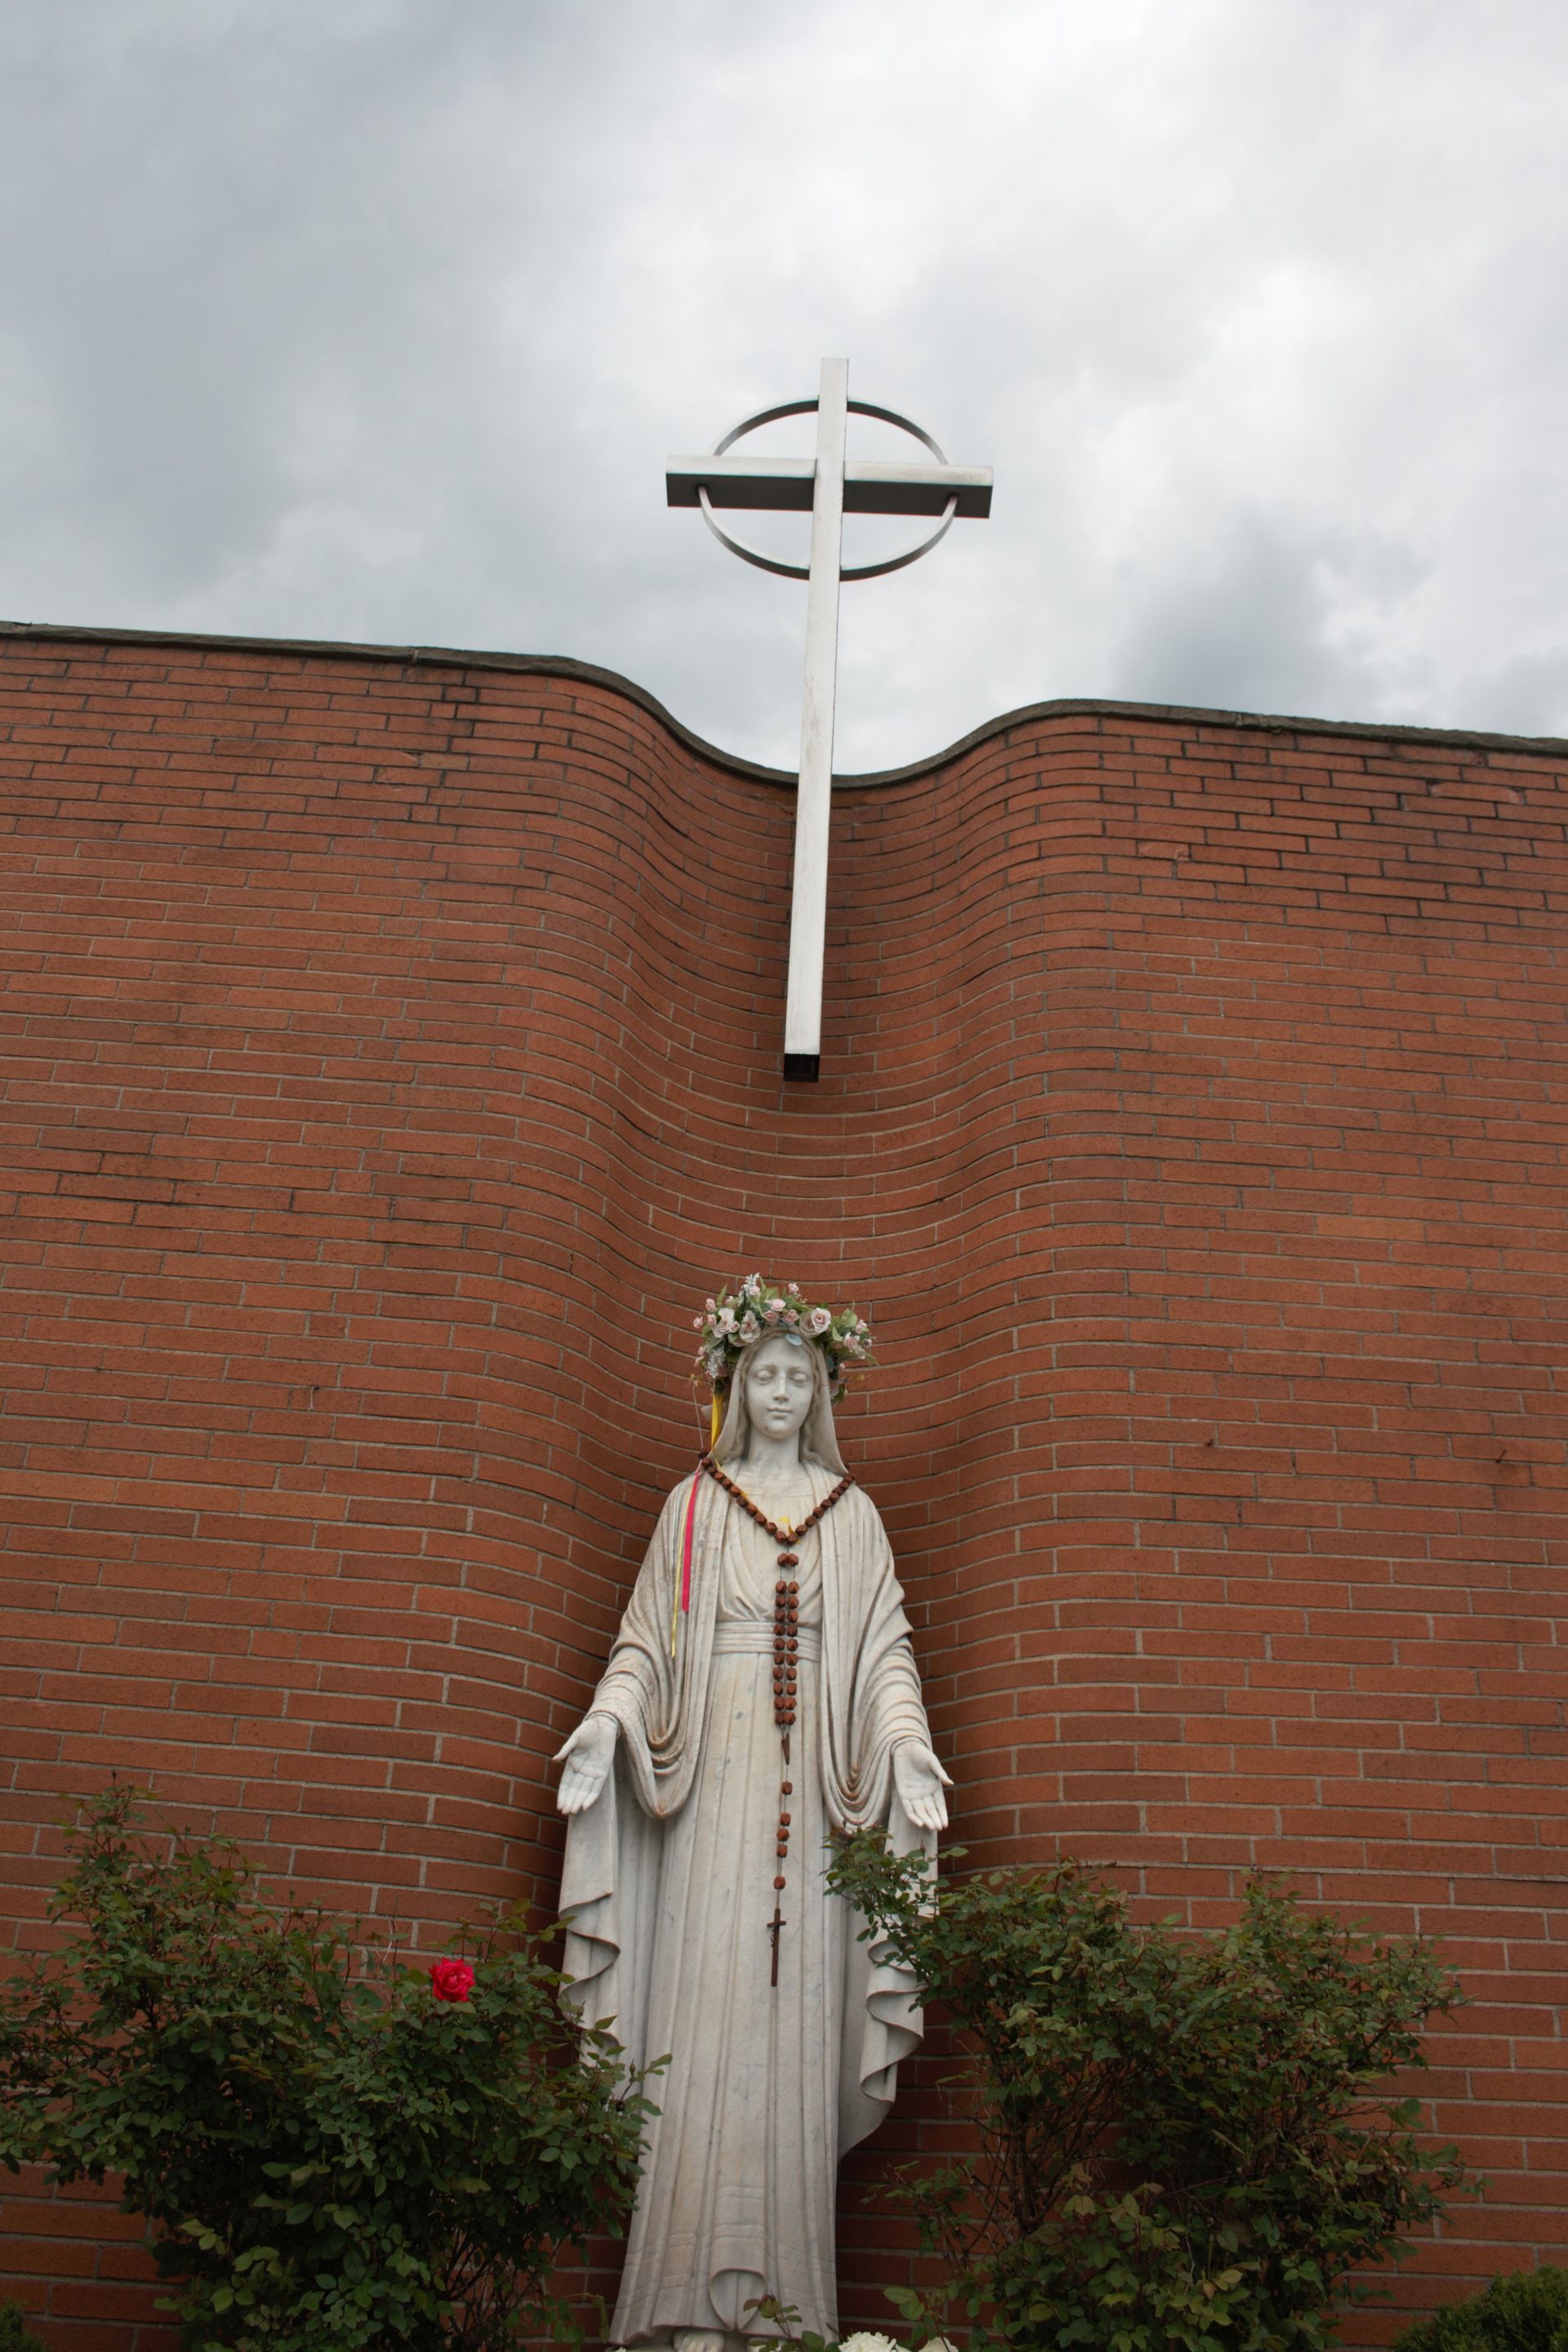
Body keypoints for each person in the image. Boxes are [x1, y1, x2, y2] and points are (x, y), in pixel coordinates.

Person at [555, 1294, 949, 2352]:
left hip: (815, 1802)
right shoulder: (693, 1508)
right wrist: (608, 1723)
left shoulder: (851, 1516)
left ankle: (787, 2317)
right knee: (703, 2010)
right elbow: (646, 1643)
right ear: (733, 1388)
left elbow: (886, 1655)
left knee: (796, 2017)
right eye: (763, 1376)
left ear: (822, 1394)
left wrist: (906, 1744)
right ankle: (678, 2305)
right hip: (711, 1791)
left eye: (798, 1378)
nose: (780, 1394)